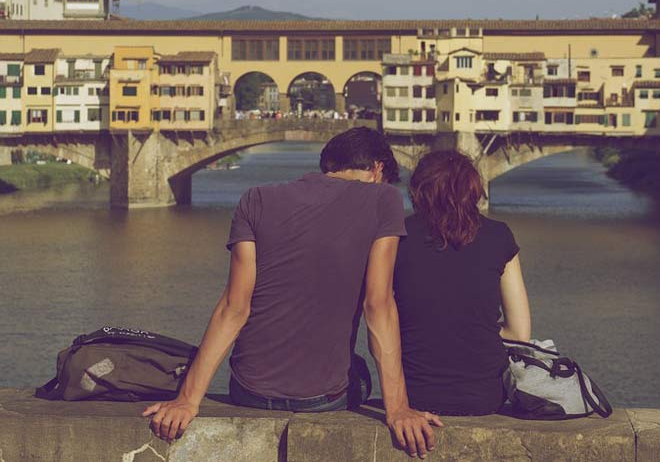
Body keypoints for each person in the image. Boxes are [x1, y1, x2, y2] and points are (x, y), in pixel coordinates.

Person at [143, 127, 443, 458]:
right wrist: (398, 408)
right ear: (378, 170)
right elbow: (378, 305)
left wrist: (187, 401)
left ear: (327, 164)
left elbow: (234, 307)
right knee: (356, 371)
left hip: (247, 390)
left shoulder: (255, 198)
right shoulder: (383, 199)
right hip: (322, 399)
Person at [393, 150, 531, 416]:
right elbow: (519, 333)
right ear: (473, 189)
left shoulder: (396, 237)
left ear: (418, 190)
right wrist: (473, 326)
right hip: (485, 396)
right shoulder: (499, 236)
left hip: (414, 394)